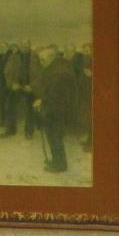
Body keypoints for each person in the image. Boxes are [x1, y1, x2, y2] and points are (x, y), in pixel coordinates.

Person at [35, 45, 77, 173]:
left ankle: (60, 165)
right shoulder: (54, 67)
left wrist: (42, 100)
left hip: (59, 108)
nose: (41, 62)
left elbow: (56, 91)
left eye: (42, 59)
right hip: (53, 107)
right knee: (52, 135)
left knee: (55, 136)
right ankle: (56, 160)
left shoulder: (61, 71)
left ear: (50, 57)